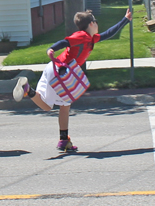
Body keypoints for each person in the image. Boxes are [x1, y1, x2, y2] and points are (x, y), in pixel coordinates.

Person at [13, 8, 132, 151]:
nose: (98, 25)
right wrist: (52, 48)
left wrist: (125, 19)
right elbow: (66, 41)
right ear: (91, 23)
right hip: (61, 73)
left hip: (54, 69)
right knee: (50, 106)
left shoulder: (91, 38)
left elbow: (108, 34)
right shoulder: (82, 35)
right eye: (96, 22)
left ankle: (63, 139)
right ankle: (29, 91)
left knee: (63, 105)